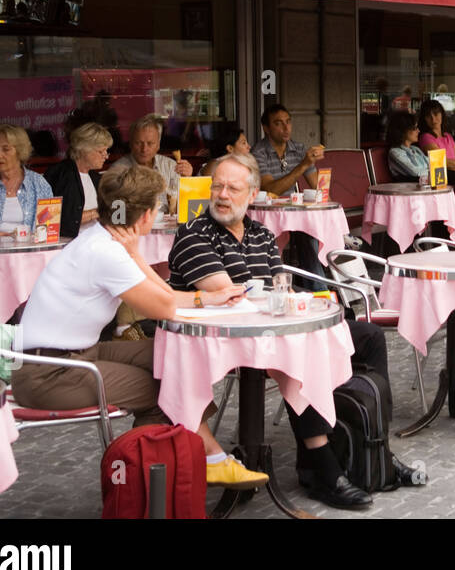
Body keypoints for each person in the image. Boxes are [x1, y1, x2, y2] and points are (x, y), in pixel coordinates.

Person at [167, 152, 415, 508]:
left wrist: (302, 300)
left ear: (252, 194)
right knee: (300, 351)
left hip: (271, 332)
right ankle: (323, 466)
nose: (222, 195)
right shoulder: (194, 234)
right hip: (219, 343)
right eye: (217, 186)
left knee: (369, 338)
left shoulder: (261, 234)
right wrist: (282, 301)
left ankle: (373, 447)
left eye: (233, 188)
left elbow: (276, 287)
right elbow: (226, 295)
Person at [11, 164, 269, 489]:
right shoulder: (107, 253)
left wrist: (208, 298)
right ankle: (186, 469)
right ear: (147, 215)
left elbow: (166, 298)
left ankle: (173, 467)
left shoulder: (102, 239)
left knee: (170, 353)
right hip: (48, 374)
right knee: (166, 389)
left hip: (68, 355)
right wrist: (138, 258)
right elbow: (165, 307)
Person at [110, 114, 192, 213]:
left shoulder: (171, 166)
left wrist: (187, 180)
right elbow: (115, 213)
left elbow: (186, 208)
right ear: (130, 144)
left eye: (150, 143)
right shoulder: (117, 170)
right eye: (138, 143)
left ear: (158, 145)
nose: (144, 149)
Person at [43, 122, 112, 239]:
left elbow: (117, 215)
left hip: (97, 240)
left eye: (107, 151)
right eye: (101, 151)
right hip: (69, 243)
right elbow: (50, 220)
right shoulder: (59, 175)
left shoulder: (97, 178)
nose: (106, 156)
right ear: (83, 149)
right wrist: (97, 213)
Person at [253, 104, 323, 196]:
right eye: (278, 124)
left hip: (293, 204)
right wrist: (303, 165)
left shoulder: (299, 149)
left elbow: (319, 189)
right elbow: (270, 192)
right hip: (269, 205)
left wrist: (332, 205)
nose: (286, 128)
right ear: (266, 128)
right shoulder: (258, 153)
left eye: (288, 122)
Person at [385, 110, 429, 183]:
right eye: (414, 128)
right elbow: (416, 173)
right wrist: (432, 171)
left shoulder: (416, 149)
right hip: (410, 187)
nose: (418, 131)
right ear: (403, 130)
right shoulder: (395, 152)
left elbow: (433, 164)